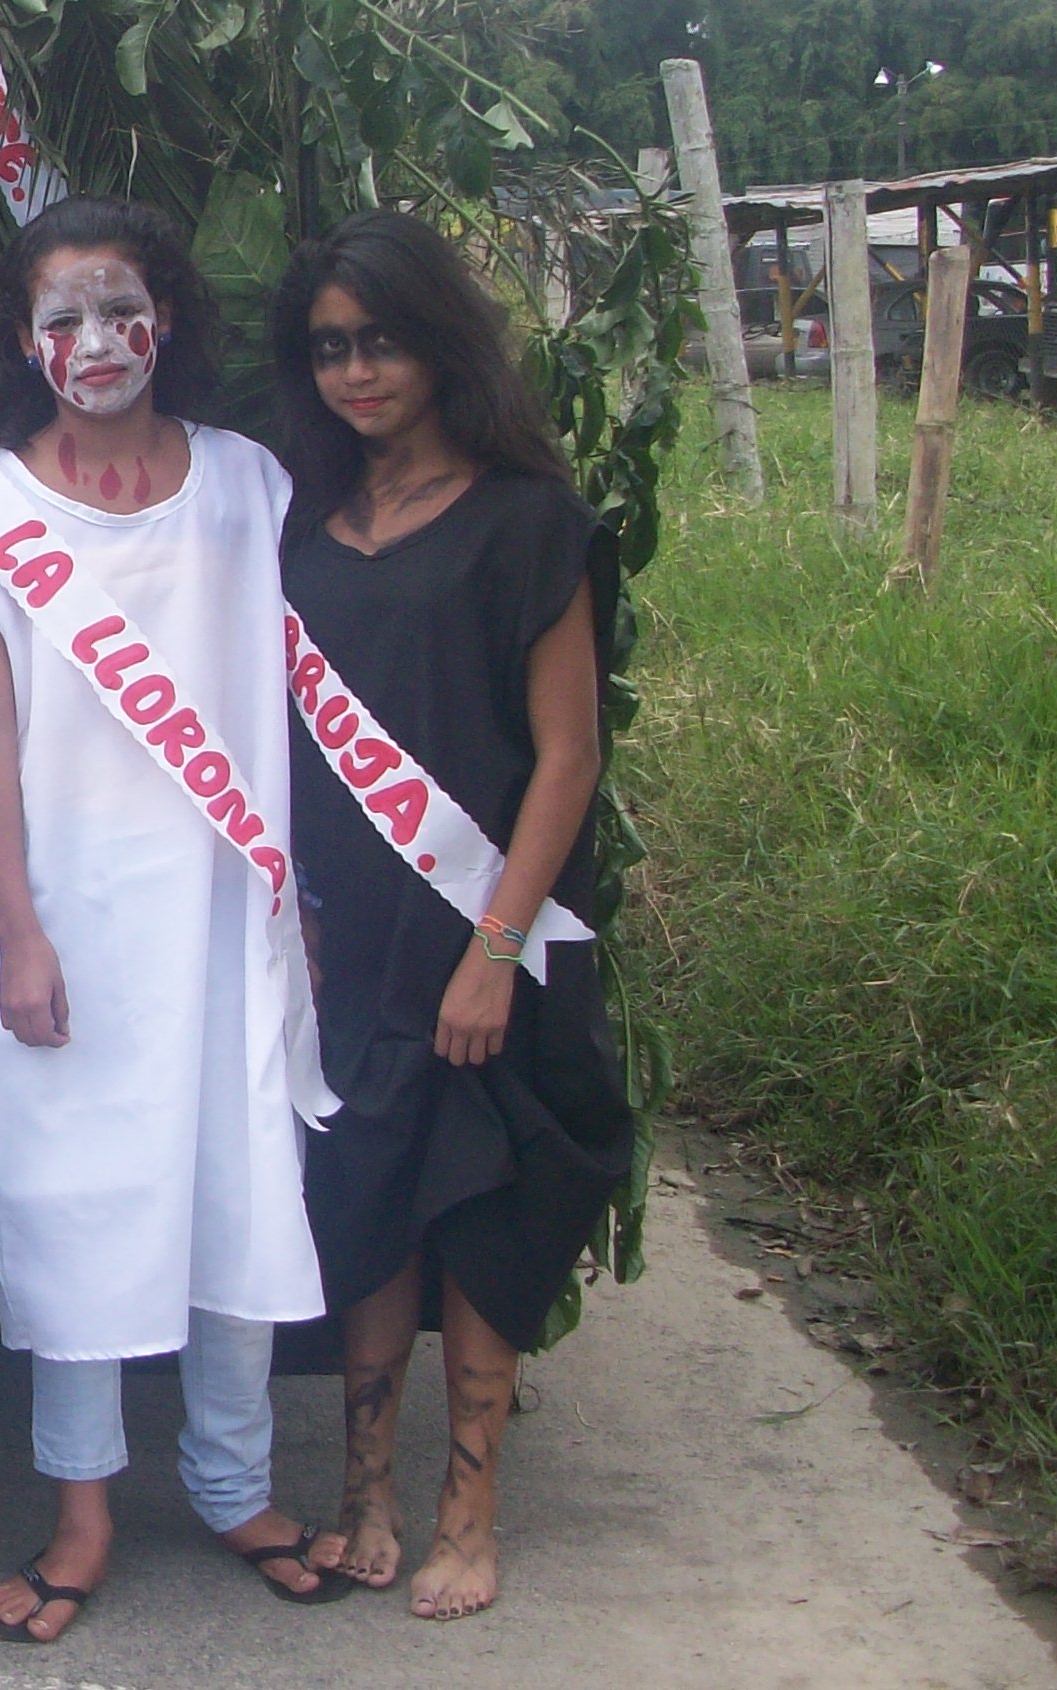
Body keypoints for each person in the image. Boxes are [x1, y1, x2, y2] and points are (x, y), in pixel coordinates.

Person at [0, 198, 344, 1644]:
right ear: (23, 339)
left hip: (226, 906)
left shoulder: (246, 485)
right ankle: (83, 1510)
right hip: (63, 907)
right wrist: (18, 926)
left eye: (120, 311)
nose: (95, 342)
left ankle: (235, 1483)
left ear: (167, 320)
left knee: (239, 1181)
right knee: (75, 1202)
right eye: (63, 318)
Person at [270, 211, 631, 1623]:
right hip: (353, 939)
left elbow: (569, 756)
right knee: (368, 1206)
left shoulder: (528, 520)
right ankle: (364, 1486)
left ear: (440, 343)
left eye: (383, 341)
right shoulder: (299, 528)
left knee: (480, 1210)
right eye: (330, 348)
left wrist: (495, 946)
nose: (358, 371)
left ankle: (466, 1509)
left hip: (490, 926)